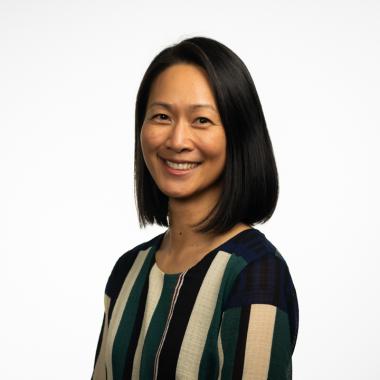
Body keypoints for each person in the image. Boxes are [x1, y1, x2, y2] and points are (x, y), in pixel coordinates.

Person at [91, 36, 299, 380]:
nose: (176, 141)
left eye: (201, 120)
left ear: (239, 135)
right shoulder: (127, 270)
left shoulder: (256, 273)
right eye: (161, 116)